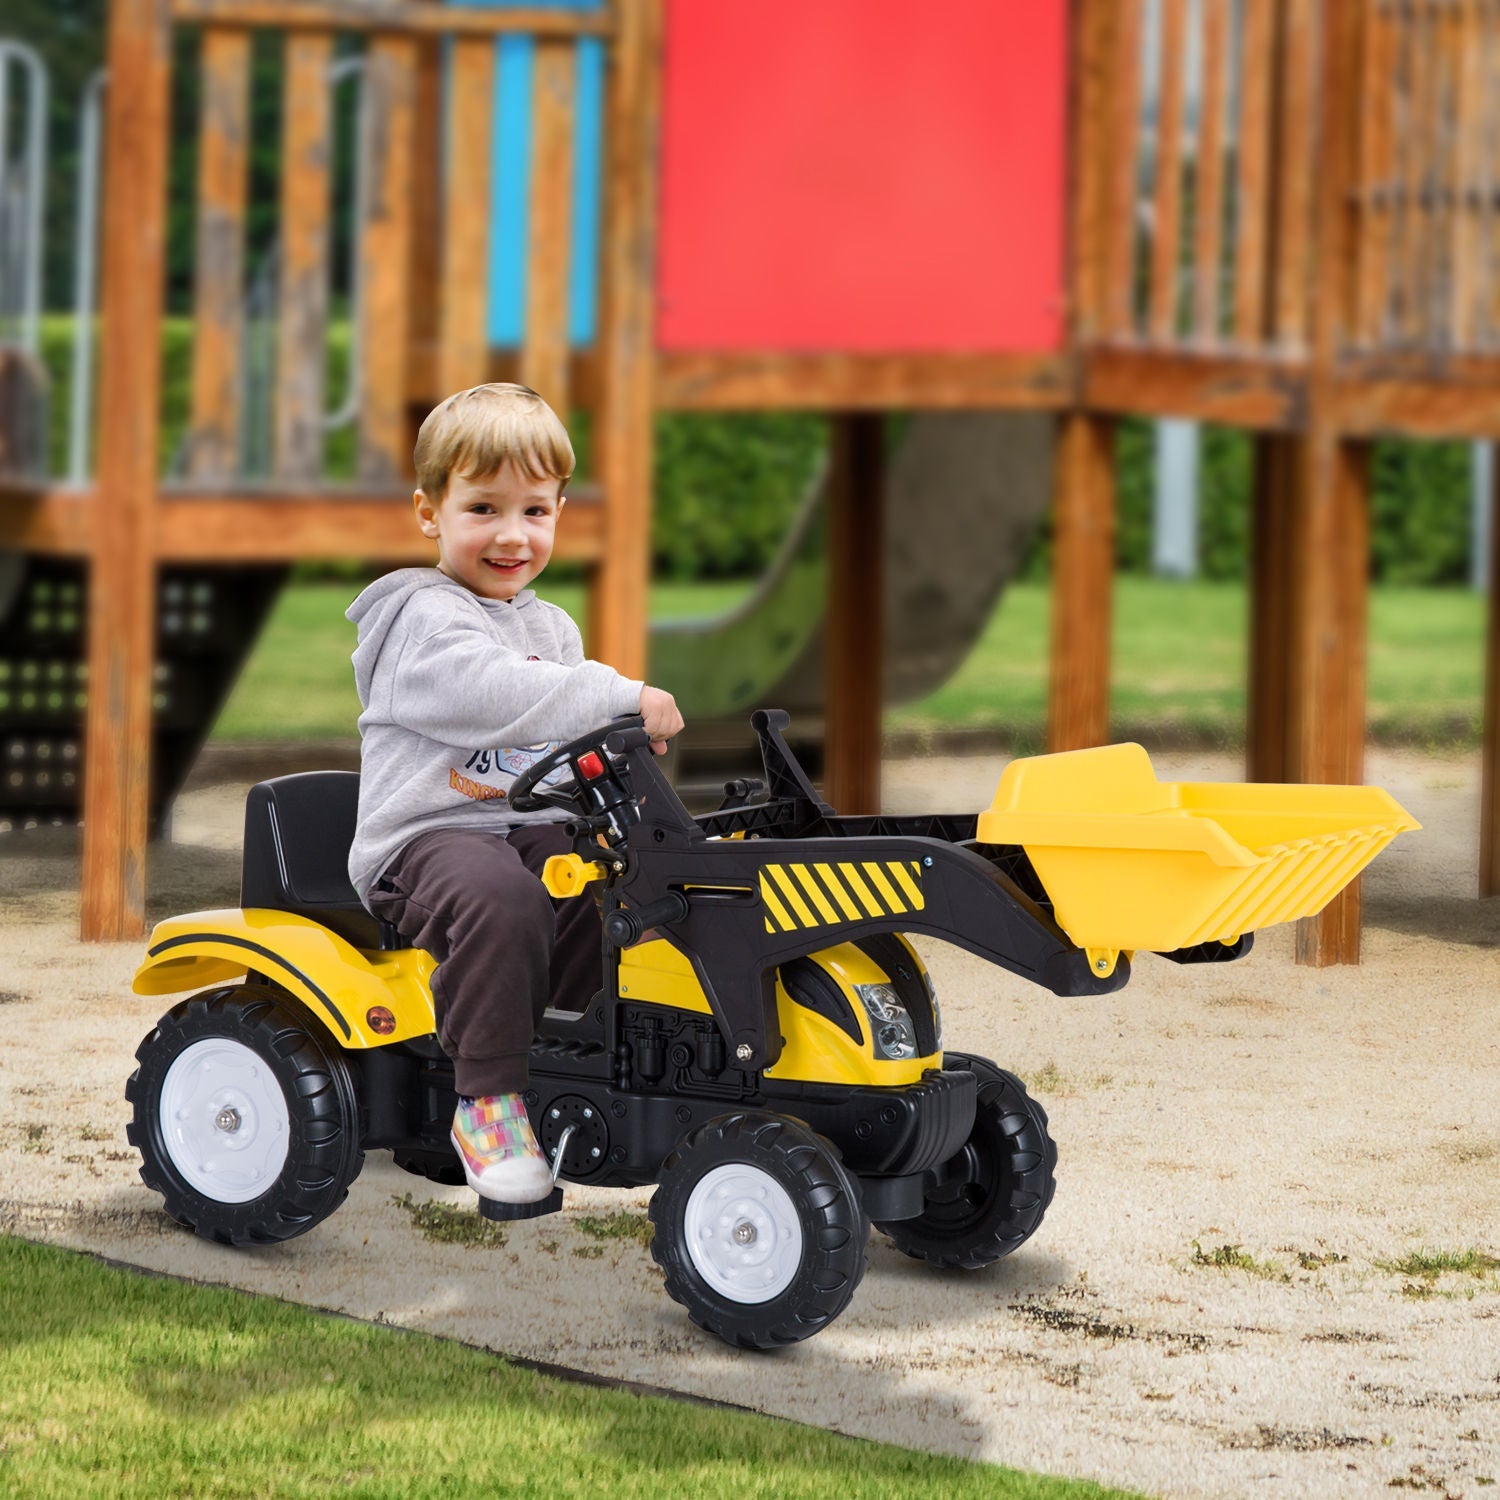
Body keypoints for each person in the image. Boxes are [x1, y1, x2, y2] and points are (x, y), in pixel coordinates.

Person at [346, 383, 684, 1204]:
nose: (510, 534)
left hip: (521, 823)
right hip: (425, 839)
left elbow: (557, 743)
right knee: (504, 897)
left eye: (534, 511)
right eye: (483, 508)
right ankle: (487, 1103)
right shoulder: (420, 619)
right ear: (430, 512)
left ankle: (578, 1053)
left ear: (560, 511)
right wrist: (618, 693)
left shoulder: (551, 626)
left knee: (611, 877)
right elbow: (498, 692)